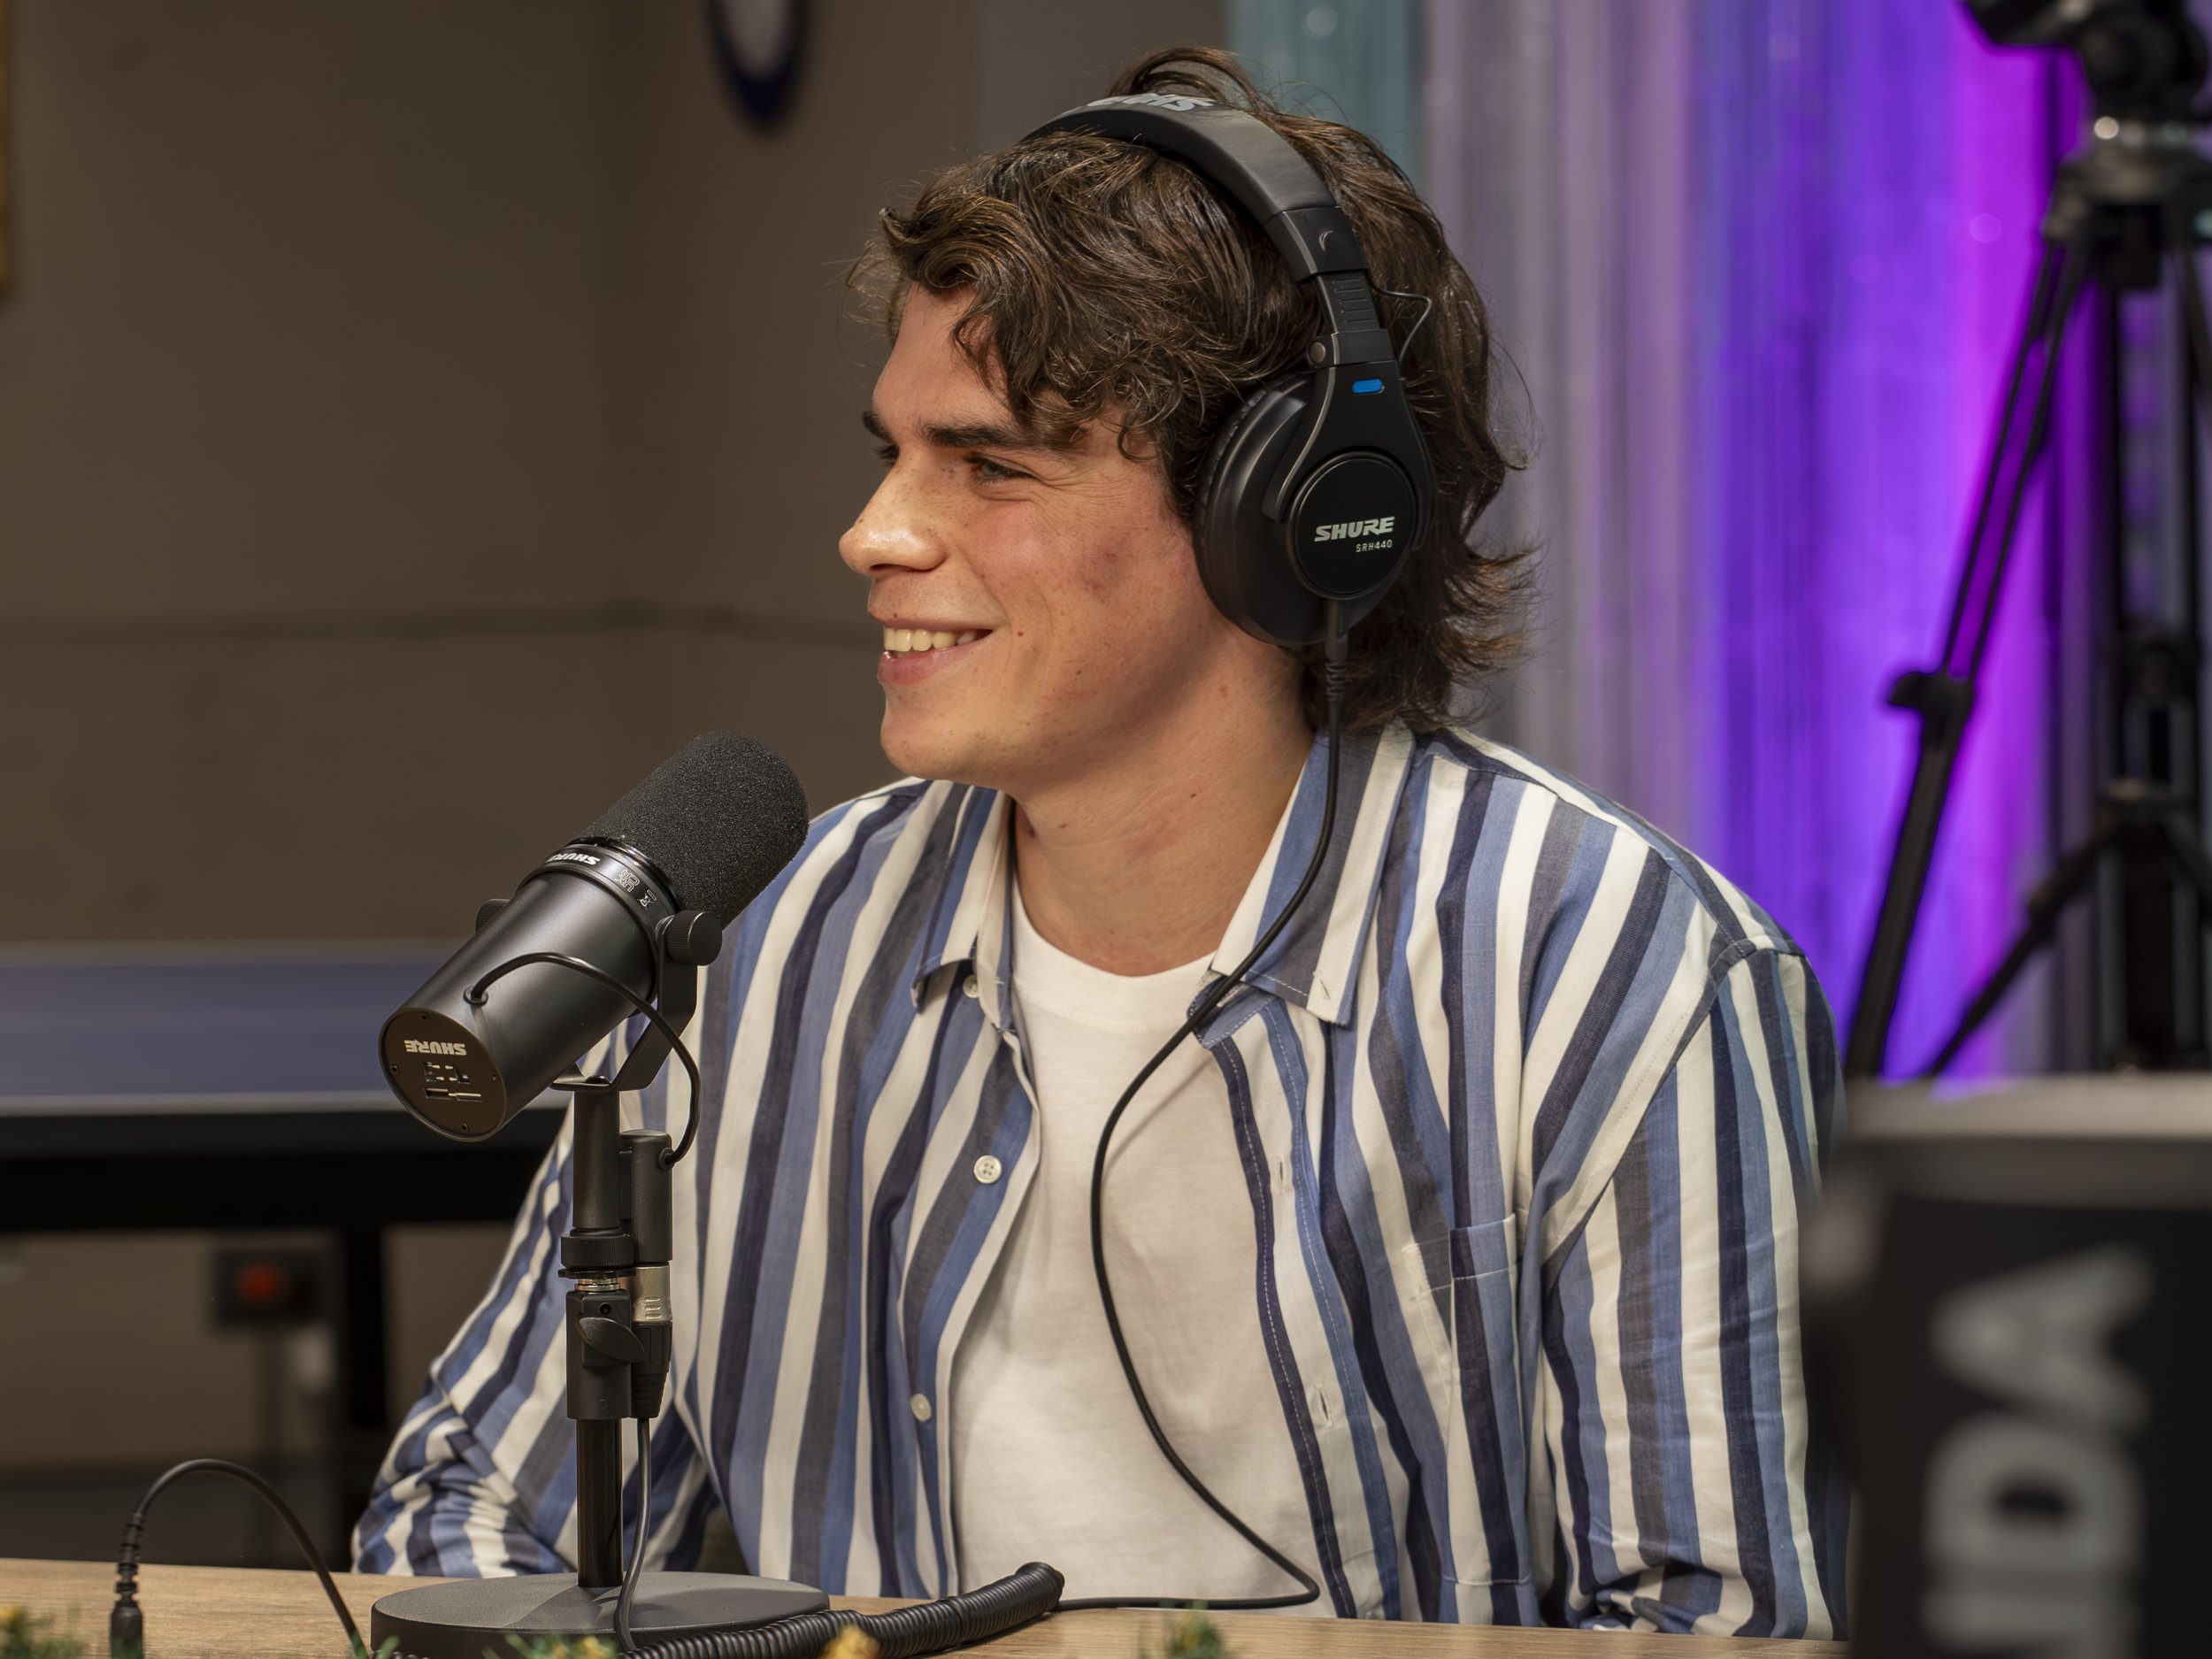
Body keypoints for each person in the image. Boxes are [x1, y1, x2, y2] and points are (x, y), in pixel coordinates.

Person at [355, 49, 1846, 1636]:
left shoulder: (1620, 979)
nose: (875, 534)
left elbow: (1726, 1628)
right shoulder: (770, 938)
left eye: (990, 464)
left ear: (1285, 518)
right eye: (892, 452)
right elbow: (466, 1515)